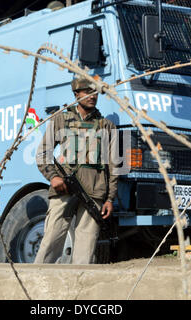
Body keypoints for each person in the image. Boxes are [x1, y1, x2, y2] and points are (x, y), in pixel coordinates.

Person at [34, 75, 118, 264]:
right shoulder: (61, 119)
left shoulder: (106, 125)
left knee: (85, 251)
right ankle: (35, 283)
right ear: (76, 94)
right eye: (88, 92)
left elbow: (113, 166)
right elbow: (42, 153)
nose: (92, 96)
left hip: (94, 193)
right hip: (64, 188)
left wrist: (110, 198)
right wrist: (54, 177)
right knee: (51, 241)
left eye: (95, 92)